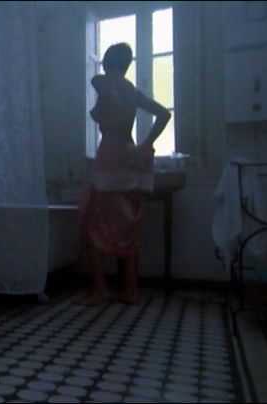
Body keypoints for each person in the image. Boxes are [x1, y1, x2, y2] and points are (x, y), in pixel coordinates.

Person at [77, 42, 171, 306]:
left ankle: (100, 290)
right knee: (127, 224)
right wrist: (146, 145)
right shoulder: (133, 90)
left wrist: (104, 108)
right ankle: (130, 290)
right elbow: (164, 114)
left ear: (107, 61)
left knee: (92, 221)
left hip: (111, 150)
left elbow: (108, 96)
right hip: (130, 153)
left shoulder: (102, 80)